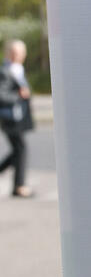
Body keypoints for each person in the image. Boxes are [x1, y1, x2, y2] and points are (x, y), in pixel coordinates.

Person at [0, 39, 33, 198]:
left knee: (18, 150)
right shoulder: (5, 71)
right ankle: (19, 186)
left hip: (17, 117)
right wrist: (18, 95)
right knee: (20, 149)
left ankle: (18, 185)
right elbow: (2, 95)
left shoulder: (17, 69)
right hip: (9, 118)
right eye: (17, 52)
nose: (20, 55)